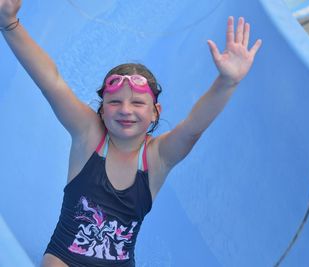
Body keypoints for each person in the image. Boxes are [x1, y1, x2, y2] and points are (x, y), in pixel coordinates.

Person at [0, 0, 262, 266]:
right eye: (115, 102)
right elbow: (51, 82)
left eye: (137, 103)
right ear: (102, 110)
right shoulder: (89, 135)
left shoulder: (158, 157)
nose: (126, 110)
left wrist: (227, 81)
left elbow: (193, 128)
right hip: (66, 258)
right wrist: (10, 25)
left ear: (155, 112)